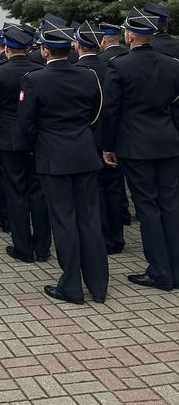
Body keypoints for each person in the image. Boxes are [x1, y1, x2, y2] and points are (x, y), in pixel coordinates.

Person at [18, 26, 108, 304]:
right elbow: (95, 113)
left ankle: (71, 285)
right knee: (89, 218)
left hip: (53, 156)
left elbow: (26, 123)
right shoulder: (88, 75)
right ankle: (98, 285)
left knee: (64, 220)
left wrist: (40, 143)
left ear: (44, 50)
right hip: (84, 153)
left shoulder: (34, 79)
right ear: (70, 47)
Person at [101, 8, 179, 291]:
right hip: (168, 142)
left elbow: (111, 111)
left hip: (136, 146)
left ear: (131, 34)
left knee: (148, 207)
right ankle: (175, 267)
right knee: (170, 205)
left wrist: (107, 146)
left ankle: (160, 271)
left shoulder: (119, 66)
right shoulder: (172, 64)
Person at [0, 26, 49, 262]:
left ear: (7, 47)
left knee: (16, 193)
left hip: (9, 141)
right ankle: (42, 247)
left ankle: (23, 247)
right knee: (38, 193)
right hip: (36, 139)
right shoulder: (39, 70)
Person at [74, 22, 126, 255]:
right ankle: (116, 237)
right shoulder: (112, 65)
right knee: (114, 188)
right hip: (113, 135)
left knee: (94, 191)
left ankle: (102, 237)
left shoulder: (76, 71)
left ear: (79, 45)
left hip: (87, 138)